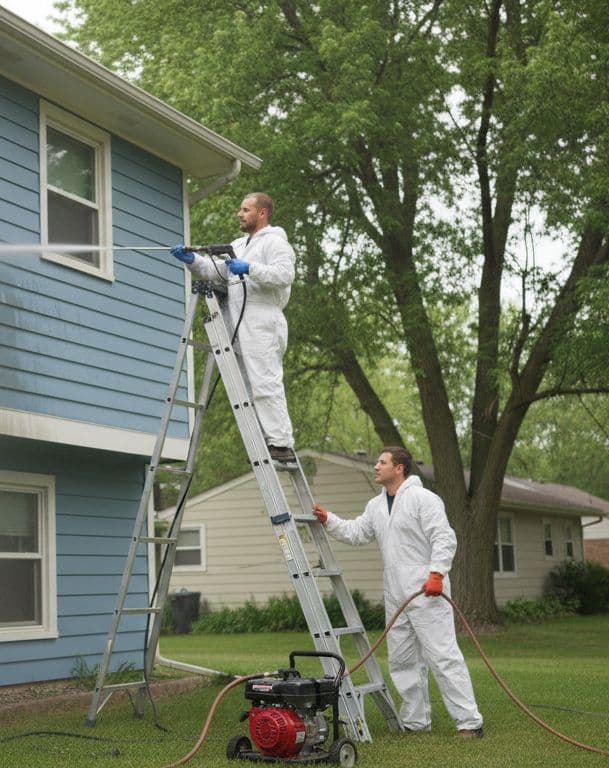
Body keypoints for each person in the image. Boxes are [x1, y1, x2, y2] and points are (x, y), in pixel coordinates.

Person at [312, 447, 485, 738]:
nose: (376, 466)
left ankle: (469, 722)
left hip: (425, 590)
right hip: (394, 592)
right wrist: (329, 519)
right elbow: (357, 533)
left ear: (400, 468)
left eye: (382, 462)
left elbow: (443, 536)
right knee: (402, 660)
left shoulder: (423, 499)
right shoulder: (376, 506)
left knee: (443, 656)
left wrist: (437, 573)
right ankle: (416, 722)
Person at [170, 192, 296, 463]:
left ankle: (281, 443)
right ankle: (266, 441)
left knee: (266, 383)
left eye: (245, 209)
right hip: (238, 323)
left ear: (262, 213)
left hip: (263, 322)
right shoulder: (239, 243)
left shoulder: (275, 242)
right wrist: (192, 261)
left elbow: (284, 275)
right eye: (240, 209)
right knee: (248, 388)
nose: (239, 214)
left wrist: (249, 268)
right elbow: (217, 271)